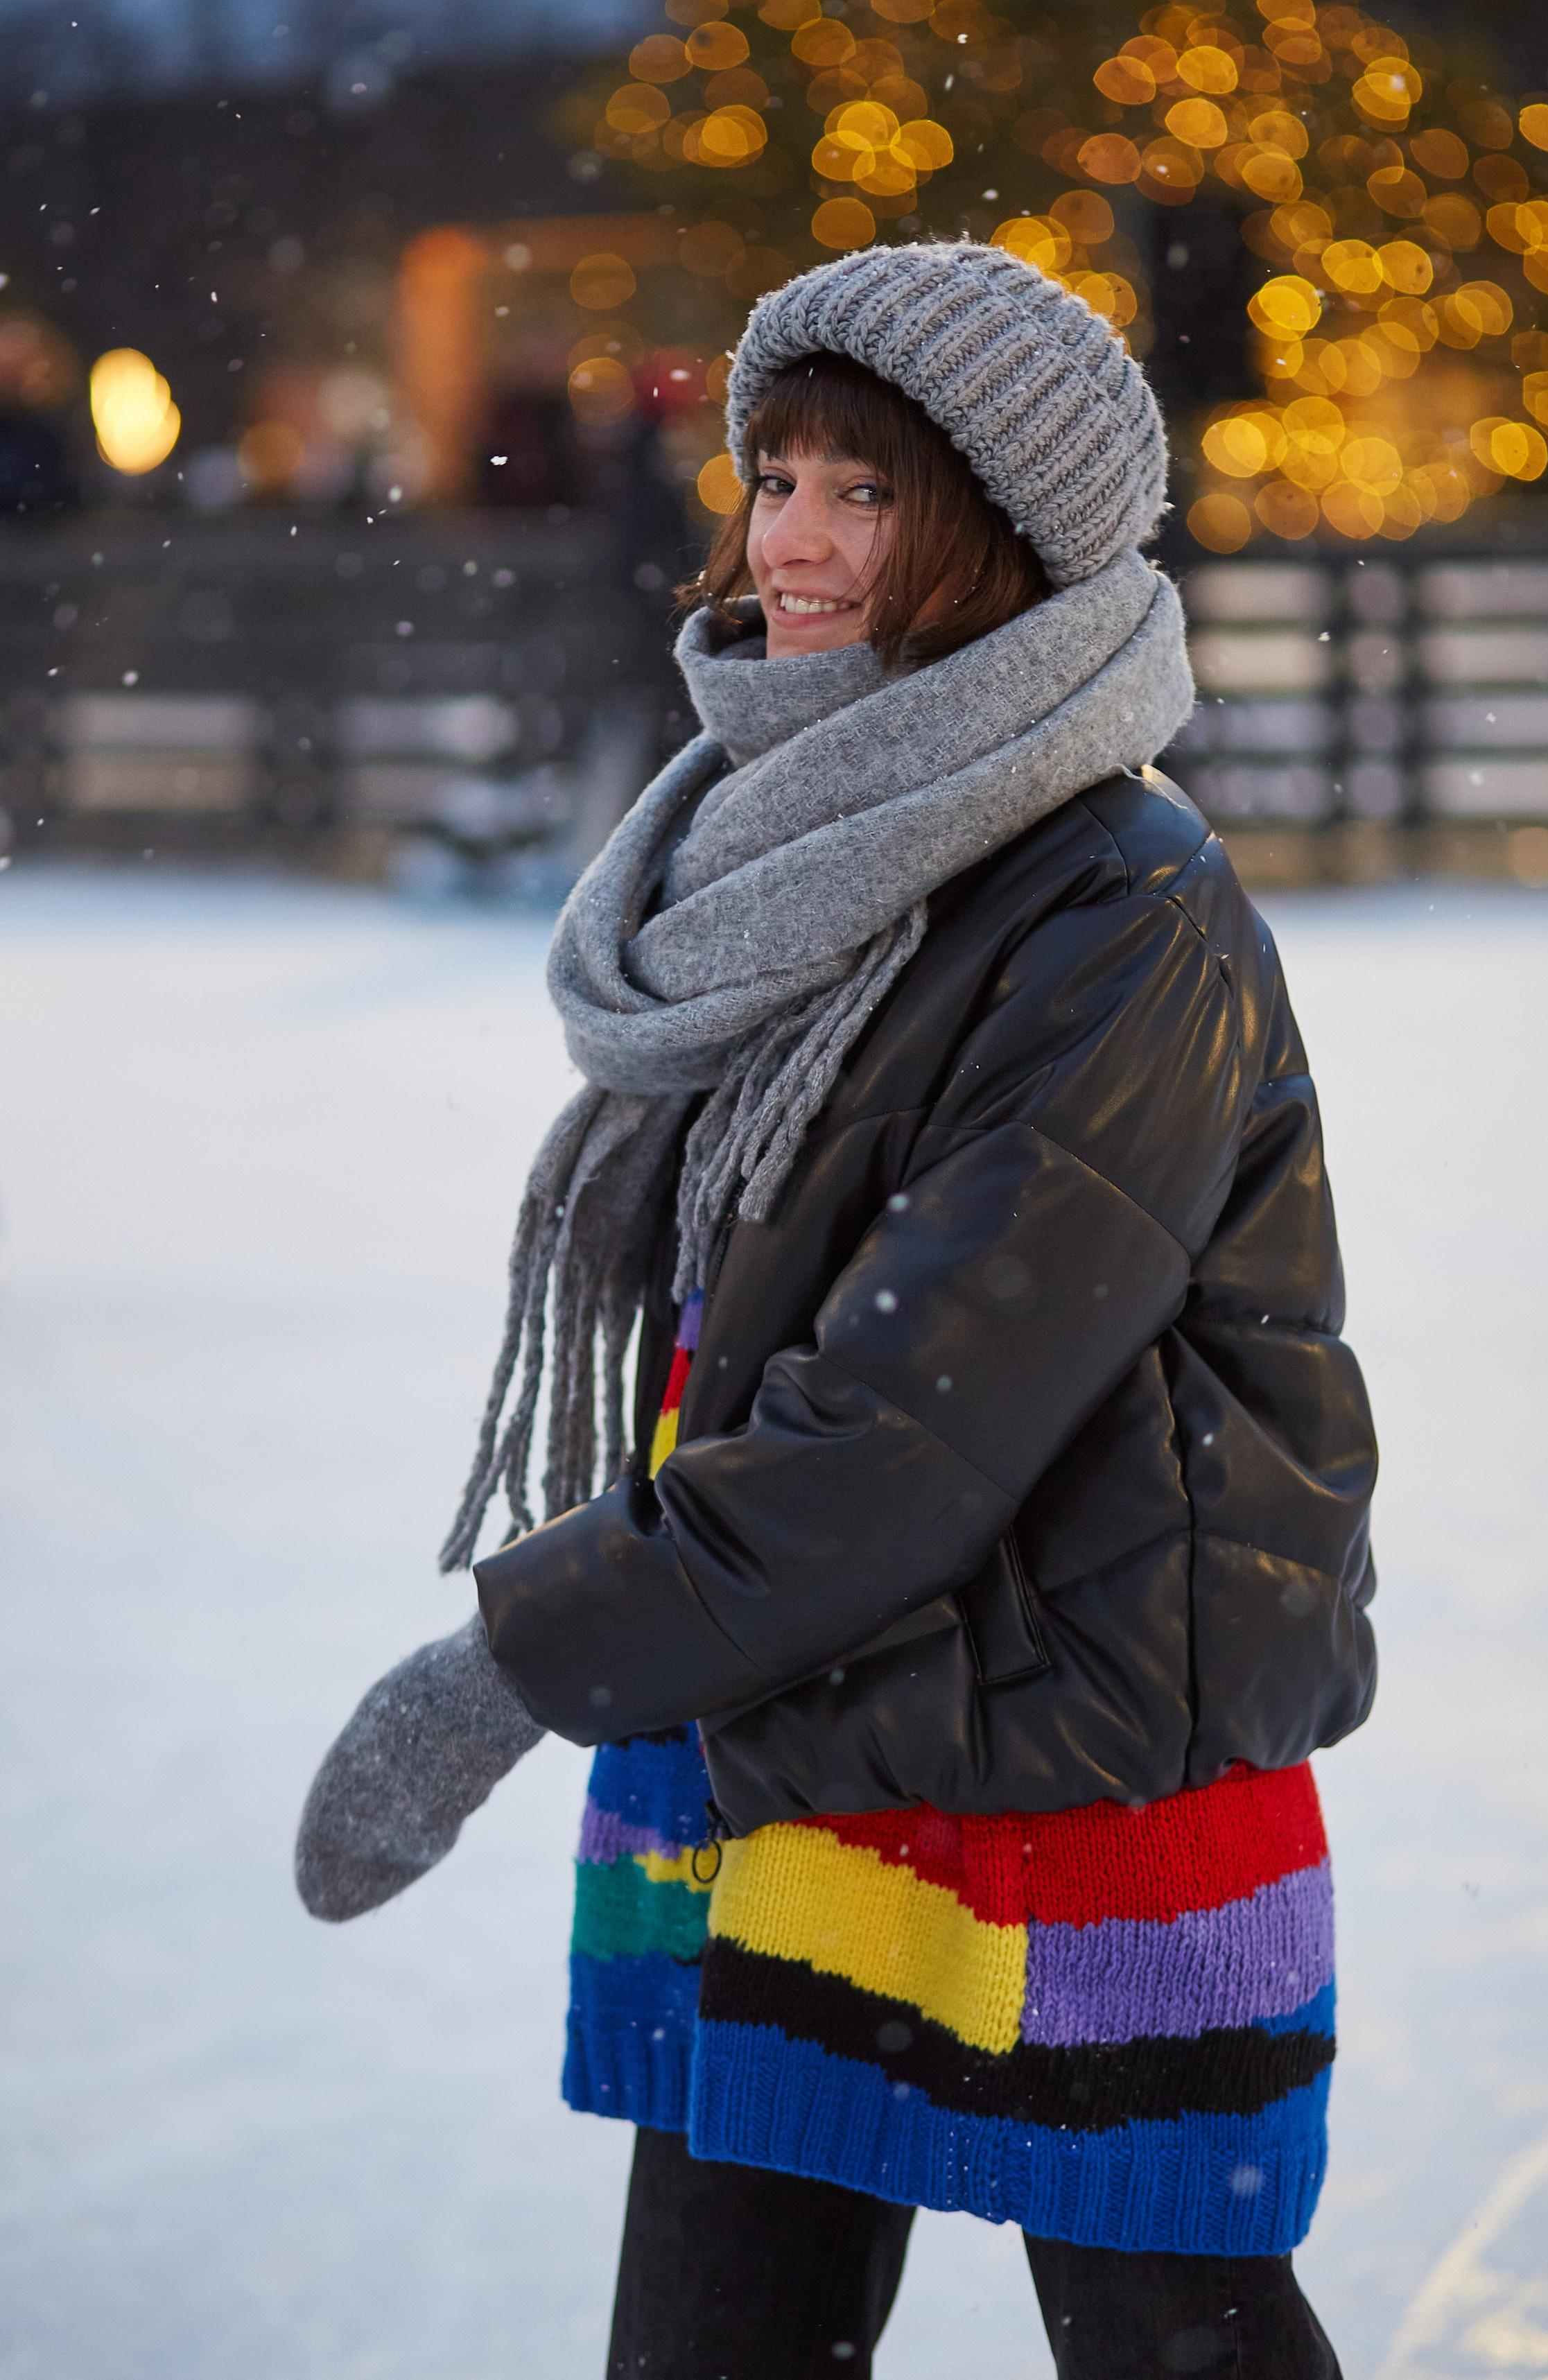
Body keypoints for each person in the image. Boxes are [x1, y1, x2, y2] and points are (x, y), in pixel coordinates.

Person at [297, 241, 1377, 2379]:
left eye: (864, 495)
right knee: (711, 2344)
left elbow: (911, 1421)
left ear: (1001, 540)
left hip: (1075, 1752)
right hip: (787, 1711)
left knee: (1180, 2336)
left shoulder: (1116, 906)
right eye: (774, 471)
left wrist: (513, 1658)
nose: (785, 540)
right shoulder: (781, 854)